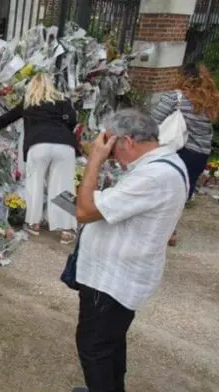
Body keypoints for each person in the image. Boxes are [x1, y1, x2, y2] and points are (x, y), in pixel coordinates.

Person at [73, 109, 188, 392]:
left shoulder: (155, 175)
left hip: (112, 280)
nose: (111, 155)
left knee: (94, 348)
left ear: (127, 142)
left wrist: (94, 161)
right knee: (111, 344)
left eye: (111, 148)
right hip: (119, 276)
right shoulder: (162, 163)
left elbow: (85, 210)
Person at [0, 73, 78, 243]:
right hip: (64, 145)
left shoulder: (29, 103)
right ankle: (67, 229)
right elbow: (73, 120)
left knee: (34, 184)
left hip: (38, 146)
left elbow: (7, 118)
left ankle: (33, 223)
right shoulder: (63, 101)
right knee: (64, 185)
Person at [150, 63, 219, 246]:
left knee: (164, 190)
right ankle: (170, 230)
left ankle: (162, 231)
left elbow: (153, 121)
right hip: (201, 153)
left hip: (179, 149)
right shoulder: (209, 100)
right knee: (182, 192)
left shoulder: (175, 97)